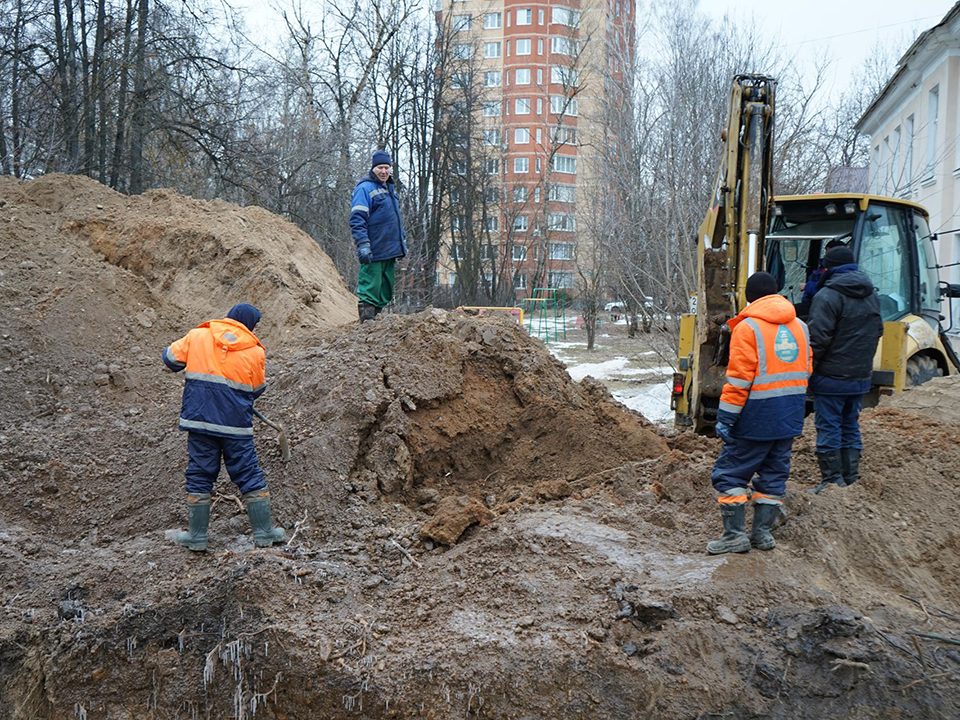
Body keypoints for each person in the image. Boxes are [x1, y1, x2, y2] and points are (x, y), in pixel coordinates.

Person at [163, 303, 285, 551]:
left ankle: (197, 538)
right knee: (248, 473)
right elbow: (257, 389)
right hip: (236, 427)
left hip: (200, 421)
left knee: (200, 473)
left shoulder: (198, 335)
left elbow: (170, 359)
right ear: (249, 324)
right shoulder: (255, 351)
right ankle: (264, 534)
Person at [708, 272, 812, 555]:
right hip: (790, 415)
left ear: (749, 297)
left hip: (757, 416)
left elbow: (739, 380)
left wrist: (726, 417)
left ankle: (734, 536)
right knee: (774, 475)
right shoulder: (801, 327)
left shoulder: (748, 328)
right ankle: (762, 534)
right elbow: (806, 371)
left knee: (730, 475)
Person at [806, 245, 884, 493]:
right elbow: (878, 331)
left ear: (827, 268)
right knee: (850, 425)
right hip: (860, 375)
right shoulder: (871, 294)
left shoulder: (827, 296)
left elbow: (817, 339)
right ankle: (850, 479)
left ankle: (831, 481)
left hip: (831, 376)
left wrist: (808, 371)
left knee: (828, 426)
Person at [350, 150, 407, 322]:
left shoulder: (389, 189)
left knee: (385, 291)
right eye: (380, 167)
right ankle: (367, 324)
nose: (383, 171)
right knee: (370, 290)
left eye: (386, 167)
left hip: (390, 250)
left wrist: (401, 242)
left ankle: (376, 322)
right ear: (373, 168)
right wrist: (363, 243)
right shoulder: (364, 188)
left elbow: (395, 220)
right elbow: (357, 218)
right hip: (374, 249)